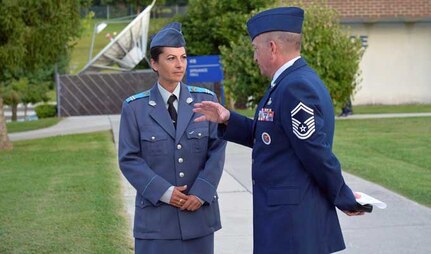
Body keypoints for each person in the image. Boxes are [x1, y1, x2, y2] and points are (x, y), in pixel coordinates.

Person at [193, 7, 368, 254]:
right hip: (286, 219)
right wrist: (227, 118)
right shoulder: (289, 83)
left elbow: (315, 152)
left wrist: (343, 196)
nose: (254, 57)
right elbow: (273, 137)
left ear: (272, 47)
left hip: (292, 224)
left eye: (256, 49)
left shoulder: (295, 87)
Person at [118, 22, 226, 254]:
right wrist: (165, 192)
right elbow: (129, 159)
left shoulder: (205, 101)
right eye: (171, 58)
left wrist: (201, 192)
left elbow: (217, 149)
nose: (180, 65)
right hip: (156, 222)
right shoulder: (134, 108)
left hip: (198, 217)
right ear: (155, 64)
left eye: (183, 57)